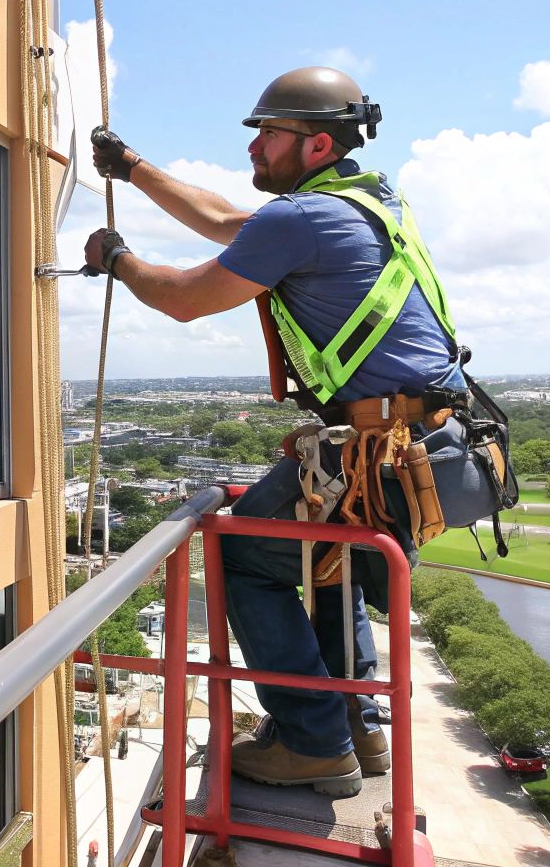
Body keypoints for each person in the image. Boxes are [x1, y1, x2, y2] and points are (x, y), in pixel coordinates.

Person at [83, 67, 471, 797]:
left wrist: (117, 259)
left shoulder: (302, 220)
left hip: (378, 450)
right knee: (335, 557)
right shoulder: (362, 203)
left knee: (241, 555)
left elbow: (185, 300)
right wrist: (132, 169)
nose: (254, 149)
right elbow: (229, 221)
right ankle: (358, 728)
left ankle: (313, 740)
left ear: (317, 143)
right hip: (413, 444)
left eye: (268, 136)